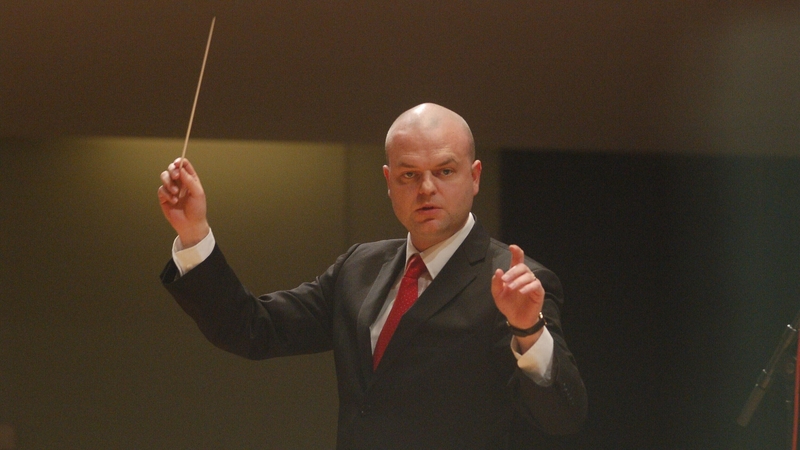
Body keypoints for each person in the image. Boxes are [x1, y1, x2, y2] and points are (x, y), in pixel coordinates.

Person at [158, 103, 587, 449]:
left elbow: (563, 417)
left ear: (474, 177)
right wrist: (193, 232)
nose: (425, 189)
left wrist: (528, 329)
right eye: (409, 175)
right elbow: (255, 329)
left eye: (444, 171)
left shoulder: (516, 282)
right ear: (388, 182)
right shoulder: (359, 268)